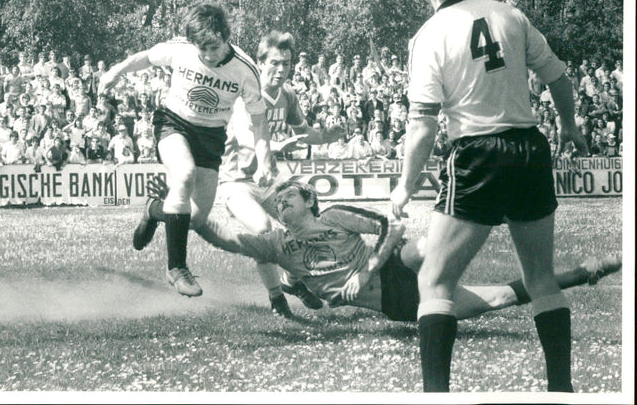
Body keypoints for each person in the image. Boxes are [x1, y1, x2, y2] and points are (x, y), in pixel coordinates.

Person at [390, 0, 589, 392]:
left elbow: (421, 125)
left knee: (435, 284)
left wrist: (404, 185)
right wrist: (569, 125)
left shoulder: (429, 35)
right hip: (529, 149)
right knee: (541, 278)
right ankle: (562, 390)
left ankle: (436, 397)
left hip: (479, 155)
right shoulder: (509, 14)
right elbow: (559, 75)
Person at [164, 179, 621, 323]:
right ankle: (586, 272)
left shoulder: (336, 216)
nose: (280, 201)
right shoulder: (276, 245)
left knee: (430, 244)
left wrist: (372, 265)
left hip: (395, 266)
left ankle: (494, 207)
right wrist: (182, 214)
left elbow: (391, 225)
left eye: (290, 195)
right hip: (397, 302)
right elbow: (224, 237)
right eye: (277, 200)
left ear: (311, 201)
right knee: (502, 297)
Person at [99, 3, 274, 298]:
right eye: (201, 48)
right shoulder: (180, 49)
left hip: (211, 136)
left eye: (214, 47)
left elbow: (259, 120)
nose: (207, 55)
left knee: (195, 218)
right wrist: (115, 72)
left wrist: (264, 158)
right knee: (184, 175)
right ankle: (176, 268)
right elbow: (146, 58)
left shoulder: (245, 70)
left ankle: (154, 210)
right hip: (173, 123)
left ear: (225, 35)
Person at [208, 30, 343, 317]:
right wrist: (280, 145)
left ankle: (292, 282)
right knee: (263, 230)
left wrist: (327, 136)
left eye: (287, 63)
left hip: (269, 180)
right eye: (275, 63)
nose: (281, 70)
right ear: (259, 63)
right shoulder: (246, 94)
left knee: (307, 223)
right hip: (237, 182)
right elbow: (247, 138)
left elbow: (305, 133)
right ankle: (276, 299)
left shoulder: (288, 96)